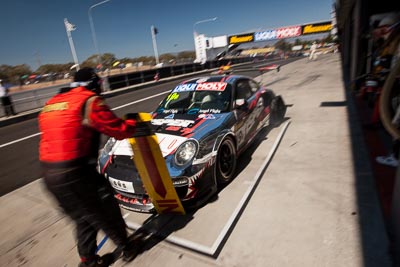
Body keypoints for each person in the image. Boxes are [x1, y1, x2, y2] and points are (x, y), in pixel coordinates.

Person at [38, 67, 148, 267]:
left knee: (83, 216)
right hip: (74, 172)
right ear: (94, 84)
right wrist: (135, 125)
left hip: (48, 174)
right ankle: (127, 247)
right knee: (106, 210)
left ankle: (88, 261)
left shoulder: (53, 102)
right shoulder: (89, 101)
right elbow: (116, 128)